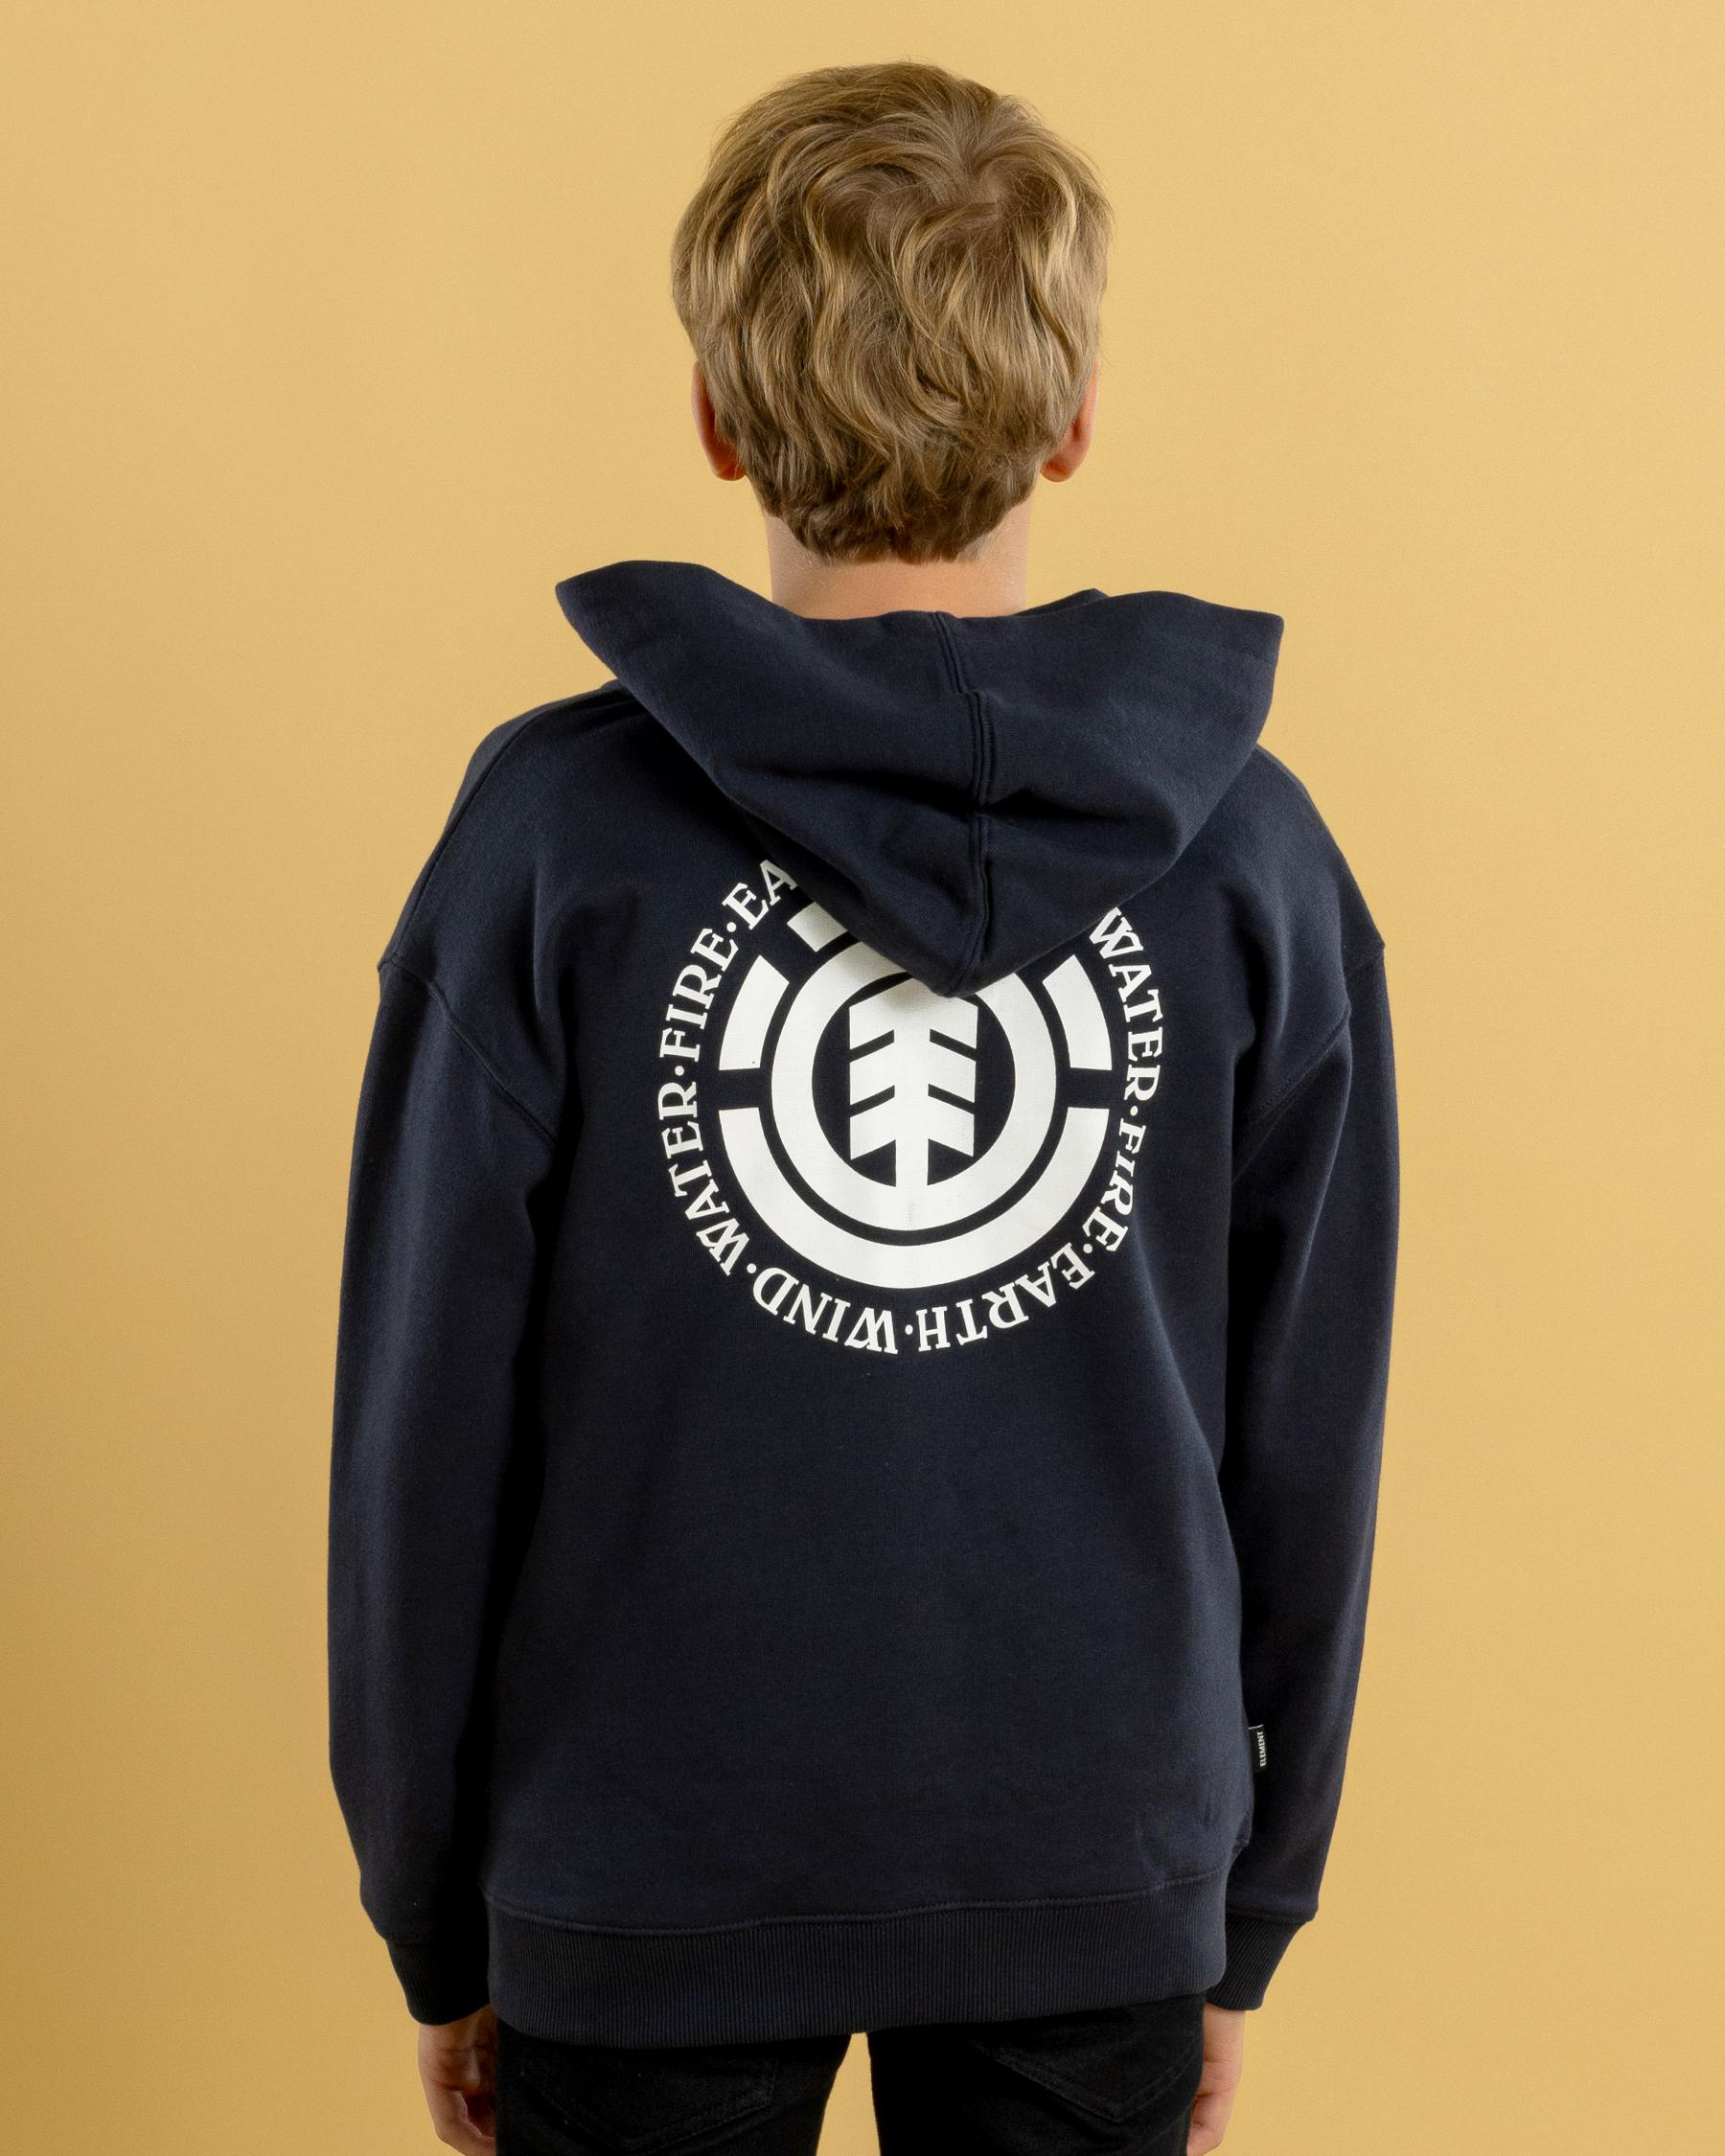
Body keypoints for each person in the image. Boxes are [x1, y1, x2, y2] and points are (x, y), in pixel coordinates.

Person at [327, 58, 1400, 2156]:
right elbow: (1313, 1431)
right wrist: (1246, 1903)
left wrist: (433, 1910)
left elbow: (422, 1423)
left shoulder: (550, 840)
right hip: (1098, 1851)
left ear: (717, 417)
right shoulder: (1251, 859)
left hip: (639, 1858)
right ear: (1071, 422)